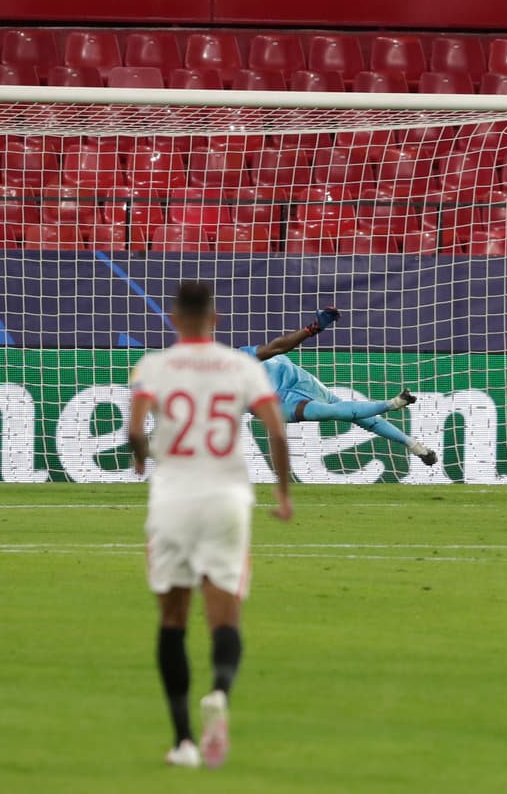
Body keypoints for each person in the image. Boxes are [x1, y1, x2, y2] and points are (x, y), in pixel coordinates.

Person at [127, 281, 294, 770]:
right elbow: (276, 428)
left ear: (174, 319)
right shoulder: (240, 366)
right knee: (224, 617)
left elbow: (135, 429)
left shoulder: (155, 366)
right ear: (215, 320)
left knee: (172, 621)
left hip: (173, 499)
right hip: (226, 499)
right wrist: (283, 492)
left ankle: (183, 741)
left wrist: (140, 459)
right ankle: (219, 691)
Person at [242, 308, 437, 466]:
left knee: (358, 417)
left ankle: (413, 445)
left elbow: (277, 347)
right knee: (329, 411)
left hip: (299, 380)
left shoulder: (238, 357)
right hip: (277, 404)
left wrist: (313, 328)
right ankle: (392, 404)